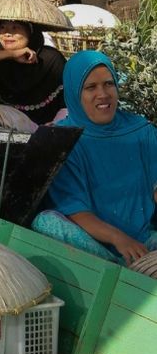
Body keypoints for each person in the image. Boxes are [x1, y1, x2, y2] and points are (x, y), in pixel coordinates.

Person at [32, 51, 157, 266]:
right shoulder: (63, 139)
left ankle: (139, 267)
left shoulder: (142, 131)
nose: (103, 94)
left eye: (109, 84)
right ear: (74, 93)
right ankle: (121, 271)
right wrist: (119, 239)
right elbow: (74, 209)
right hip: (94, 247)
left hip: (146, 243)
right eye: (91, 87)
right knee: (46, 223)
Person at [0, 18, 66, 132]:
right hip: (7, 136)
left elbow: (67, 102)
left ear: (30, 31)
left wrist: (54, 126)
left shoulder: (51, 58)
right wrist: (12, 54)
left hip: (50, 132)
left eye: (15, 28)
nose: (7, 34)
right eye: (2, 28)